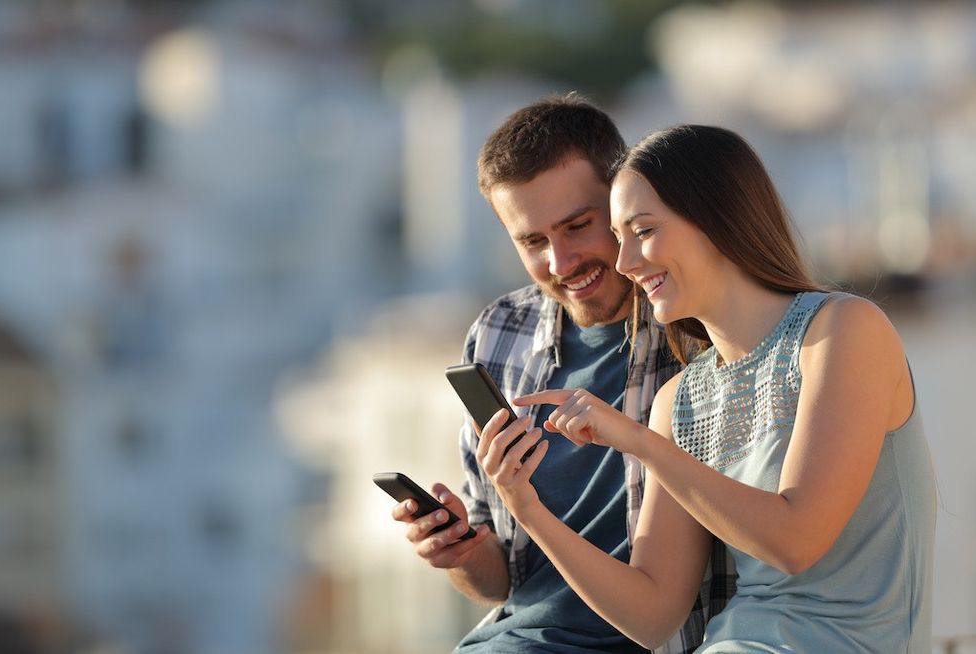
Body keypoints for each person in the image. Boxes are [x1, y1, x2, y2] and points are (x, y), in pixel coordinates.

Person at [483, 124, 937, 651]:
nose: (626, 263)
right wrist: (527, 508)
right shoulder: (679, 399)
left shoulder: (843, 330)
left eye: (644, 231)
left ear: (715, 218)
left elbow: (796, 540)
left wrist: (640, 443)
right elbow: (652, 615)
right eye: (620, 237)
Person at [390, 98, 735, 651]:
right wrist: (460, 552)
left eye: (578, 226)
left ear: (623, 202)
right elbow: (499, 581)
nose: (561, 261)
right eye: (532, 241)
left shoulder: (699, 327)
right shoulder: (500, 332)